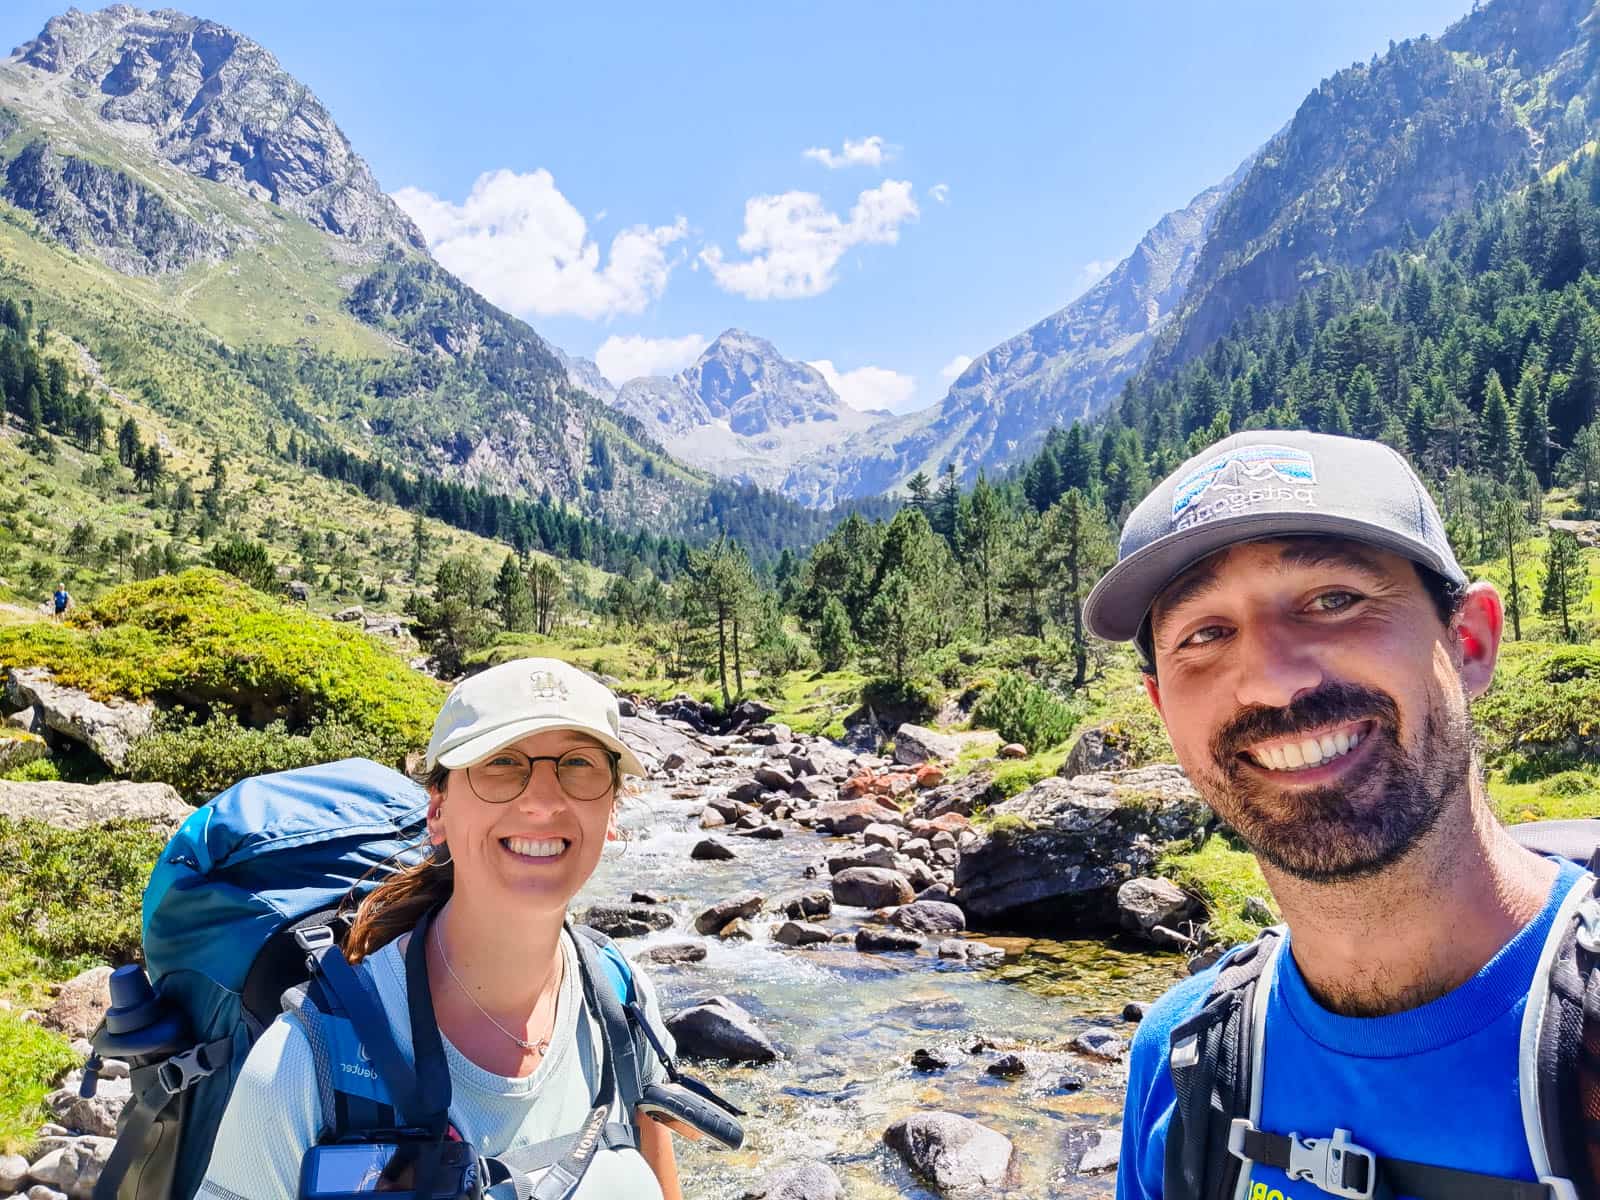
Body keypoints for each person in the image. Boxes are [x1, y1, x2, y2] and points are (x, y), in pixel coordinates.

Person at [1086, 431, 1597, 1200]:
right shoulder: (1179, 1060)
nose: (1271, 680)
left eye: (1334, 600)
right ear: (1163, 709)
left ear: (1470, 640)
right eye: (1206, 635)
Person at [197, 657, 688, 1200]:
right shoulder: (305, 1064)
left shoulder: (620, 1002)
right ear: (438, 812)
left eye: (578, 765)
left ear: (612, 810)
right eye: (502, 762)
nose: (545, 801)